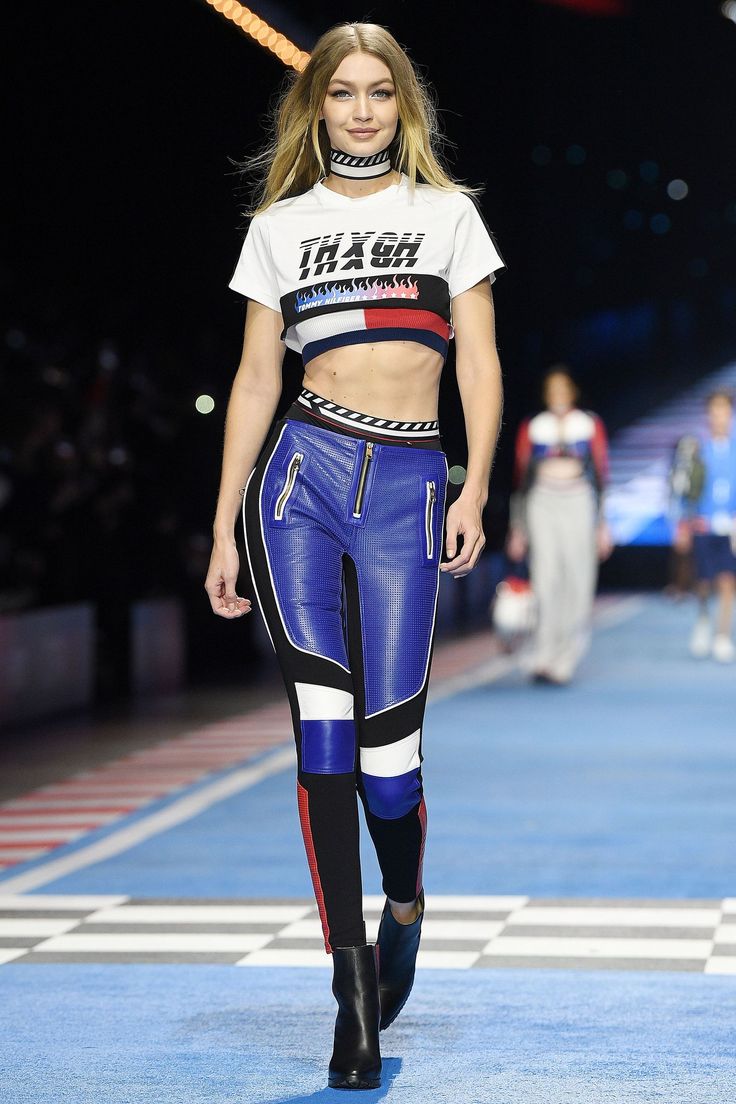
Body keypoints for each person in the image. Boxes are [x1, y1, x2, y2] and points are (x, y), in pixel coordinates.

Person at [204, 22, 505, 1091]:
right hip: (298, 479)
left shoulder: (447, 217)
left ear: (402, 104)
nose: (363, 109)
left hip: (411, 486)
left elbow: (477, 354)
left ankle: (406, 904)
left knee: (389, 763)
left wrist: (473, 483)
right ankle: (349, 994)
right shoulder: (280, 227)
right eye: (345, 92)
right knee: (321, 733)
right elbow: (251, 381)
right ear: (318, 106)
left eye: (380, 91)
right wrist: (221, 523)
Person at [506, 366, 611, 685]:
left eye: (563, 389)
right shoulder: (535, 427)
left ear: (572, 392)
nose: (558, 396)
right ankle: (543, 655)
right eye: (552, 390)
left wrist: (602, 525)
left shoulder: (589, 424)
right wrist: (518, 527)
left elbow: (602, 476)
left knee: (577, 579)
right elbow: (520, 481)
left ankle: (566, 656)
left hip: (578, 502)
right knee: (546, 577)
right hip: (542, 503)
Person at [672, 390, 736, 663]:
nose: (719, 416)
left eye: (724, 410)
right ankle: (703, 620)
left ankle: (722, 636)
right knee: (703, 583)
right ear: (708, 415)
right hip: (702, 526)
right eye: (714, 411)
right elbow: (684, 491)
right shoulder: (697, 450)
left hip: (730, 528)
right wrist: (683, 525)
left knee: (727, 582)